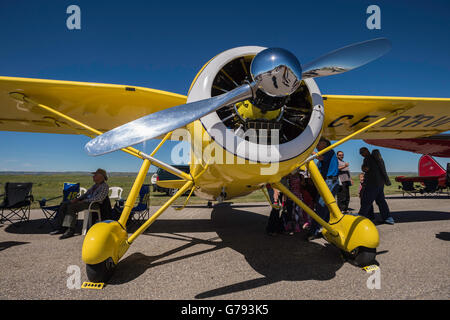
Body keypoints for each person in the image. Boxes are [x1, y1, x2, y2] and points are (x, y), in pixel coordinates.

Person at [50, 168, 110, 239]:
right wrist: (77, 199)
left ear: (101, 176)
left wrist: (84, 201)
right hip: (87, 202)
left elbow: (99, 198)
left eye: (95, 175)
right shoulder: (95, 186)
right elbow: (86, 194)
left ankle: (70, 230)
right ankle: (62, 227)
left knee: (72, 207)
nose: (93, 176)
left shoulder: (104, 186)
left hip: (94, 204)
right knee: (64, 204)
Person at [308, 138, 340, 240]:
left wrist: (307, 151)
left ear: (325, 143)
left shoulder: (328, 150)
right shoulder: (325, 155)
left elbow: (320, 157)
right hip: (326, 181)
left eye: (318, 143)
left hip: (330, 181)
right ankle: (326, 227)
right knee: (323, 206)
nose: (317, 145)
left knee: (321, 205)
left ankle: (315, 230)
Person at [358, 148, 394, 224]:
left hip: (371, 184)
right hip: (380, 183)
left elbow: (366, 169)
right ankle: (387, 218)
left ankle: (360, 218)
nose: (361, 154)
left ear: (366, 151)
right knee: (381, 201)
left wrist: (363, 167)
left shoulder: (367, 159)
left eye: (361, 153)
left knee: (366, 201)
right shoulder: (377, 159)